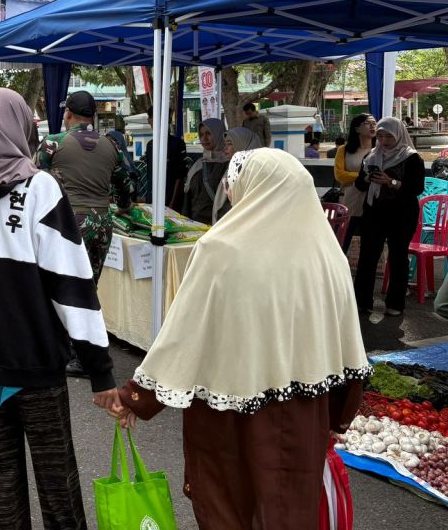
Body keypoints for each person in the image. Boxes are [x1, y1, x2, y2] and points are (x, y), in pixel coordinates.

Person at [113, 149, 370, 529]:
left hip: (228, 416)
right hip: (303, 411)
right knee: (290, 510)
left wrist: (137, 397)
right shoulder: (327, 254)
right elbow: (348, 345)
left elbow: (185, 336)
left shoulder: (221, 250)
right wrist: (339, 416)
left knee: (227, 507)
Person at [0, 88, 119, 530]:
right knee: (56, 481)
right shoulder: (40, 187)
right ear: (22, 127)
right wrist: (99, 369)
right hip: (34, 362)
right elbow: (72, 283)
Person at [37, 90, 133, 377]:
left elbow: (36, 180)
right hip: (102, 224)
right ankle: (87, 354)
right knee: (89, 287)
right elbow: (125, 184)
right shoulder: (111, 145)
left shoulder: (54, 142)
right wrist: (125, 207)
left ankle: (64, 350)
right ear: (93, 115)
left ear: (67, 113)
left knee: (60, 284)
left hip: (68, 222)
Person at [353, 117, 425, 317]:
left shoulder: (411, 158)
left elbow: (417, 188)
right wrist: (368, 178)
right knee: (368, 256)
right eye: (381, 136)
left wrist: (391, 182)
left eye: (389, 137)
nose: (384, 141)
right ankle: (362, 301)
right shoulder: (372, 156)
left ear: (399, 135)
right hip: (374, 212)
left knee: (398, 256)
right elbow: (360, 185)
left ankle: (395, 303)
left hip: (401, 214)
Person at [333, 114, 376, 253]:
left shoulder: (379, 150)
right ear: (357, 128)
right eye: (368, 123)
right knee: (342, 242)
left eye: (374, 123)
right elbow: (340, 175)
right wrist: (363, 177)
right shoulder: (344, 150)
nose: (372, 126)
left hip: (372, 202)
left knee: (370, 246)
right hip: (349, 201)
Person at [210, 126, 263, 223]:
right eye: (225, 144)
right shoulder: (231, 169)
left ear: (243, 144)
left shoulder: (251, 172)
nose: (225, 148)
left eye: (230, 144)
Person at [181, 118, 228, 225]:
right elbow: (187, 200)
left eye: (209, 133)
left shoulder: (230, 164)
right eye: (201, 134)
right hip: (195, 226)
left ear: (219, 134)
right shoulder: (197, 165)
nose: (204, 138)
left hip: (218, 226)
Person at [142, 106, 188, 210]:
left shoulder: (177, 144)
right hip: (152, 202)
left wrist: (172, 203)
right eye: (155, 117)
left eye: (163, 117)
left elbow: (179, 177)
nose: (159, 121)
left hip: (170, 203)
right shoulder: (150, 145)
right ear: (149, 121)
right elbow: (150, 176)